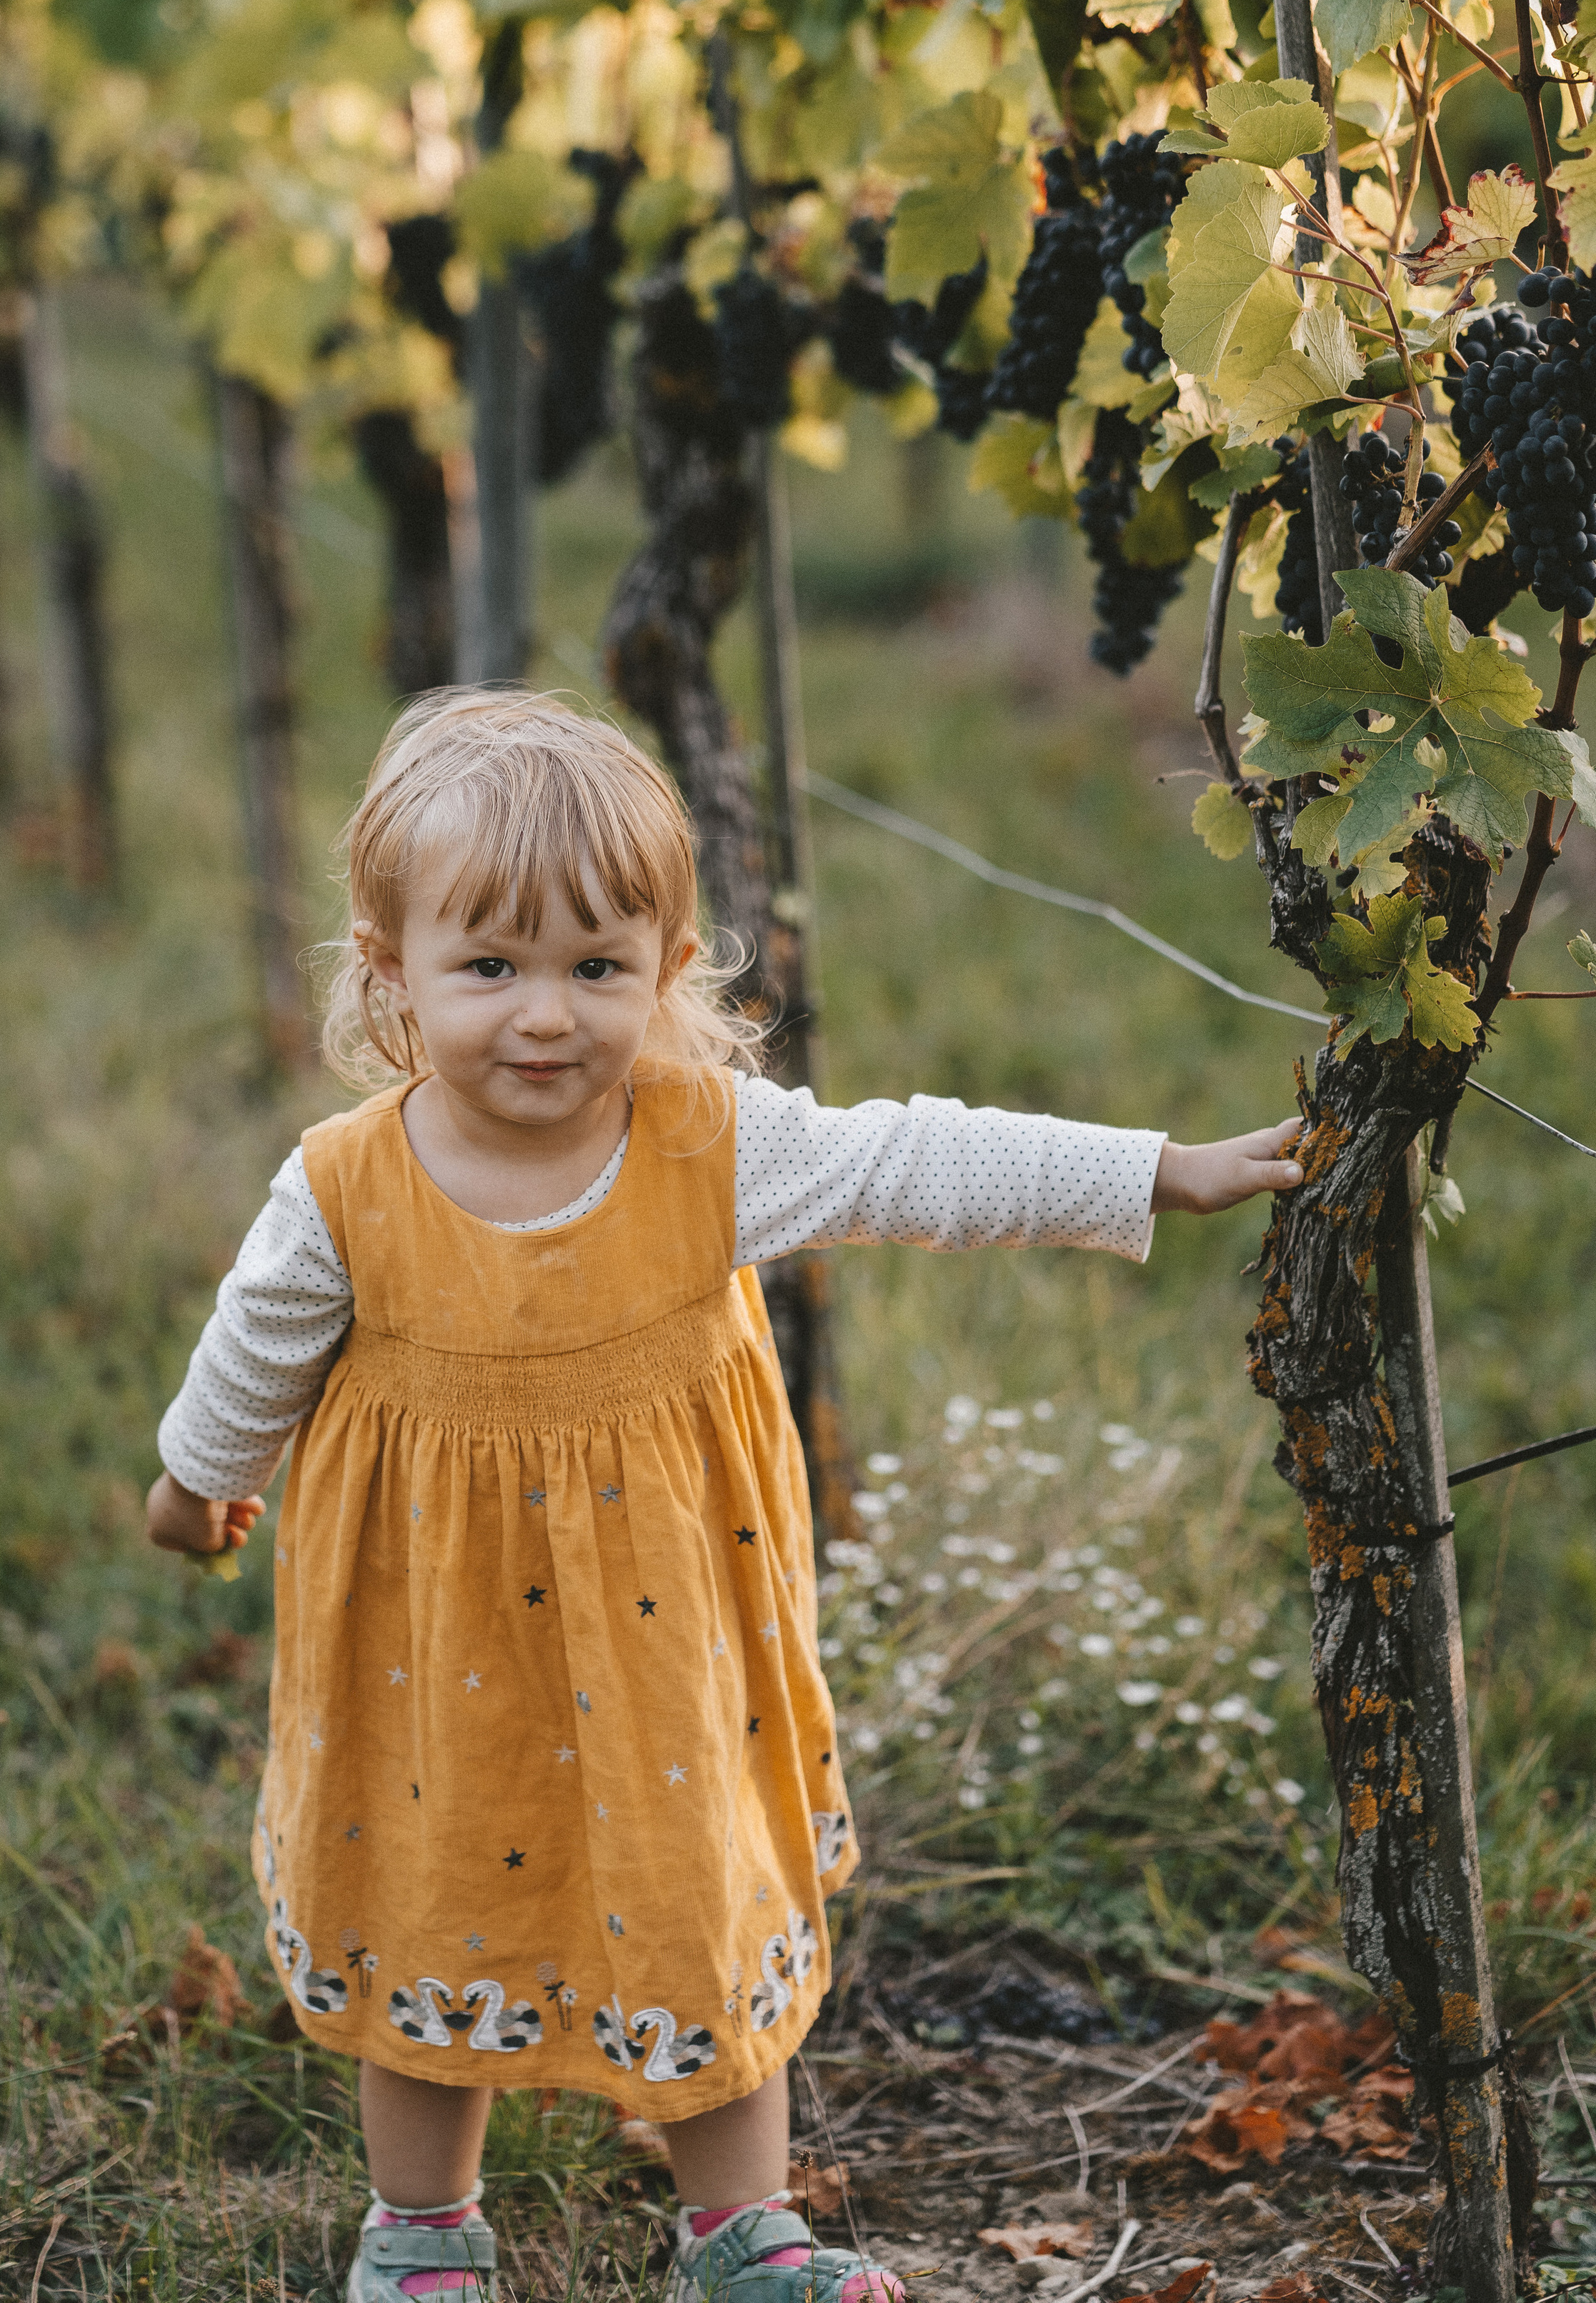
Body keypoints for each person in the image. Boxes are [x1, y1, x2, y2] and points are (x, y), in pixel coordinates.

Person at [146, 689, 1302, 2303]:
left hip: (663, 1630)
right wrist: (197, 1486)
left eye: (596, 968)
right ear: (387, 967)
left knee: (696, 1885)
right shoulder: (345, 1184)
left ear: (668, 972)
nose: (545, 1016)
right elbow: (255, 1345)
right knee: (426, 1892)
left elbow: (918, 1163)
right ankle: (420, 2230)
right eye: (491, 968)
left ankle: (741, 2231)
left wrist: (1149, 1168)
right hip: (428, 1641)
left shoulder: (708, 1148)